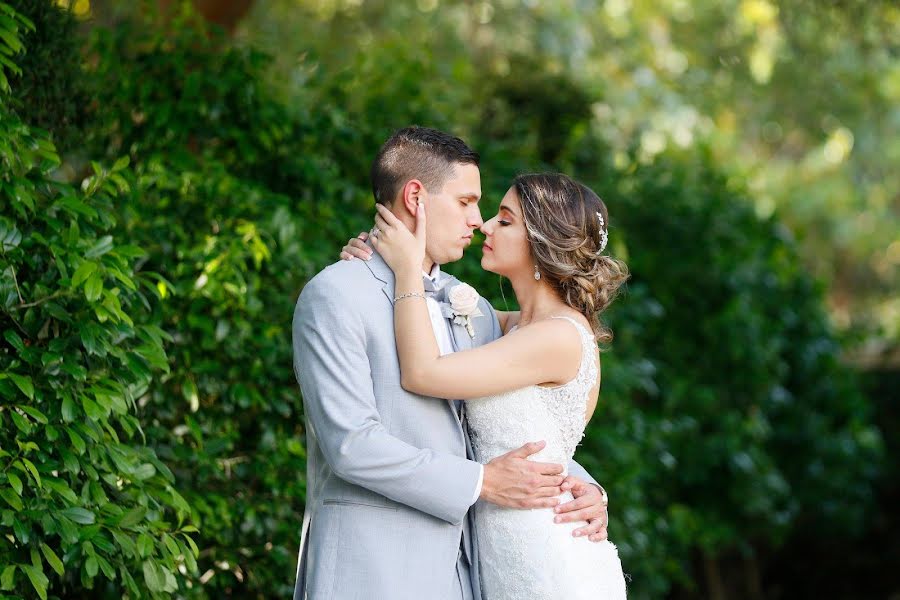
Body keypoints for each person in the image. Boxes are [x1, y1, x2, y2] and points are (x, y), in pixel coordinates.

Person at [292, 126, 612, 600]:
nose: (479, 221)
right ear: (416, 197)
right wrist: (482, 482)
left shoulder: (474, 309)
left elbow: (521, 423)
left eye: (495, 214)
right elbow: (351, 444)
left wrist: (588, 490)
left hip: (470, 576)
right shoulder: (337, 295)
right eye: (466, 202)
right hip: (370, 572)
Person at [357, 171, 629, 599]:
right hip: (503, 556)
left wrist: (407, 270)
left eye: (504, 220)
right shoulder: (514, 325)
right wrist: (376, 267)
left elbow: (423, 373)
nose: (484, 225)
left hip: (548, 561)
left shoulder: (556, 337)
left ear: (541, 241)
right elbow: (437, 303)